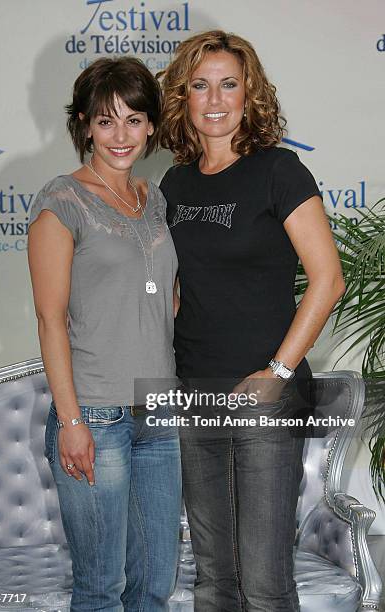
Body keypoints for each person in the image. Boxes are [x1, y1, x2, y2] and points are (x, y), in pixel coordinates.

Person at [157, 30, 346, 612]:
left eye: (229, 85)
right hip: (195, 392)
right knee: (213, 580)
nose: (215, 99)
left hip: (265, 390)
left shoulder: (278, 171)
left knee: (263, 583)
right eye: (200, 86)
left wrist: (277, 371)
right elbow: (179, 290)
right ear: (182, 97)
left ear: (250, 92)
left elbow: (329, 280)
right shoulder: (174, 182)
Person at [27, 57, 181, 612]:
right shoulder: (61, 202)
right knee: (100, 590)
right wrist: (71, 422)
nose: (122, 135)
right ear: (85, 124)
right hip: (96, 415)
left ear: (151, 125)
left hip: (158, 413)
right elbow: (50, 320)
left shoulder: (155, 199)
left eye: (135, 120)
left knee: (155, 585)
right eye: (106, 120)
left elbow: (166, 299)